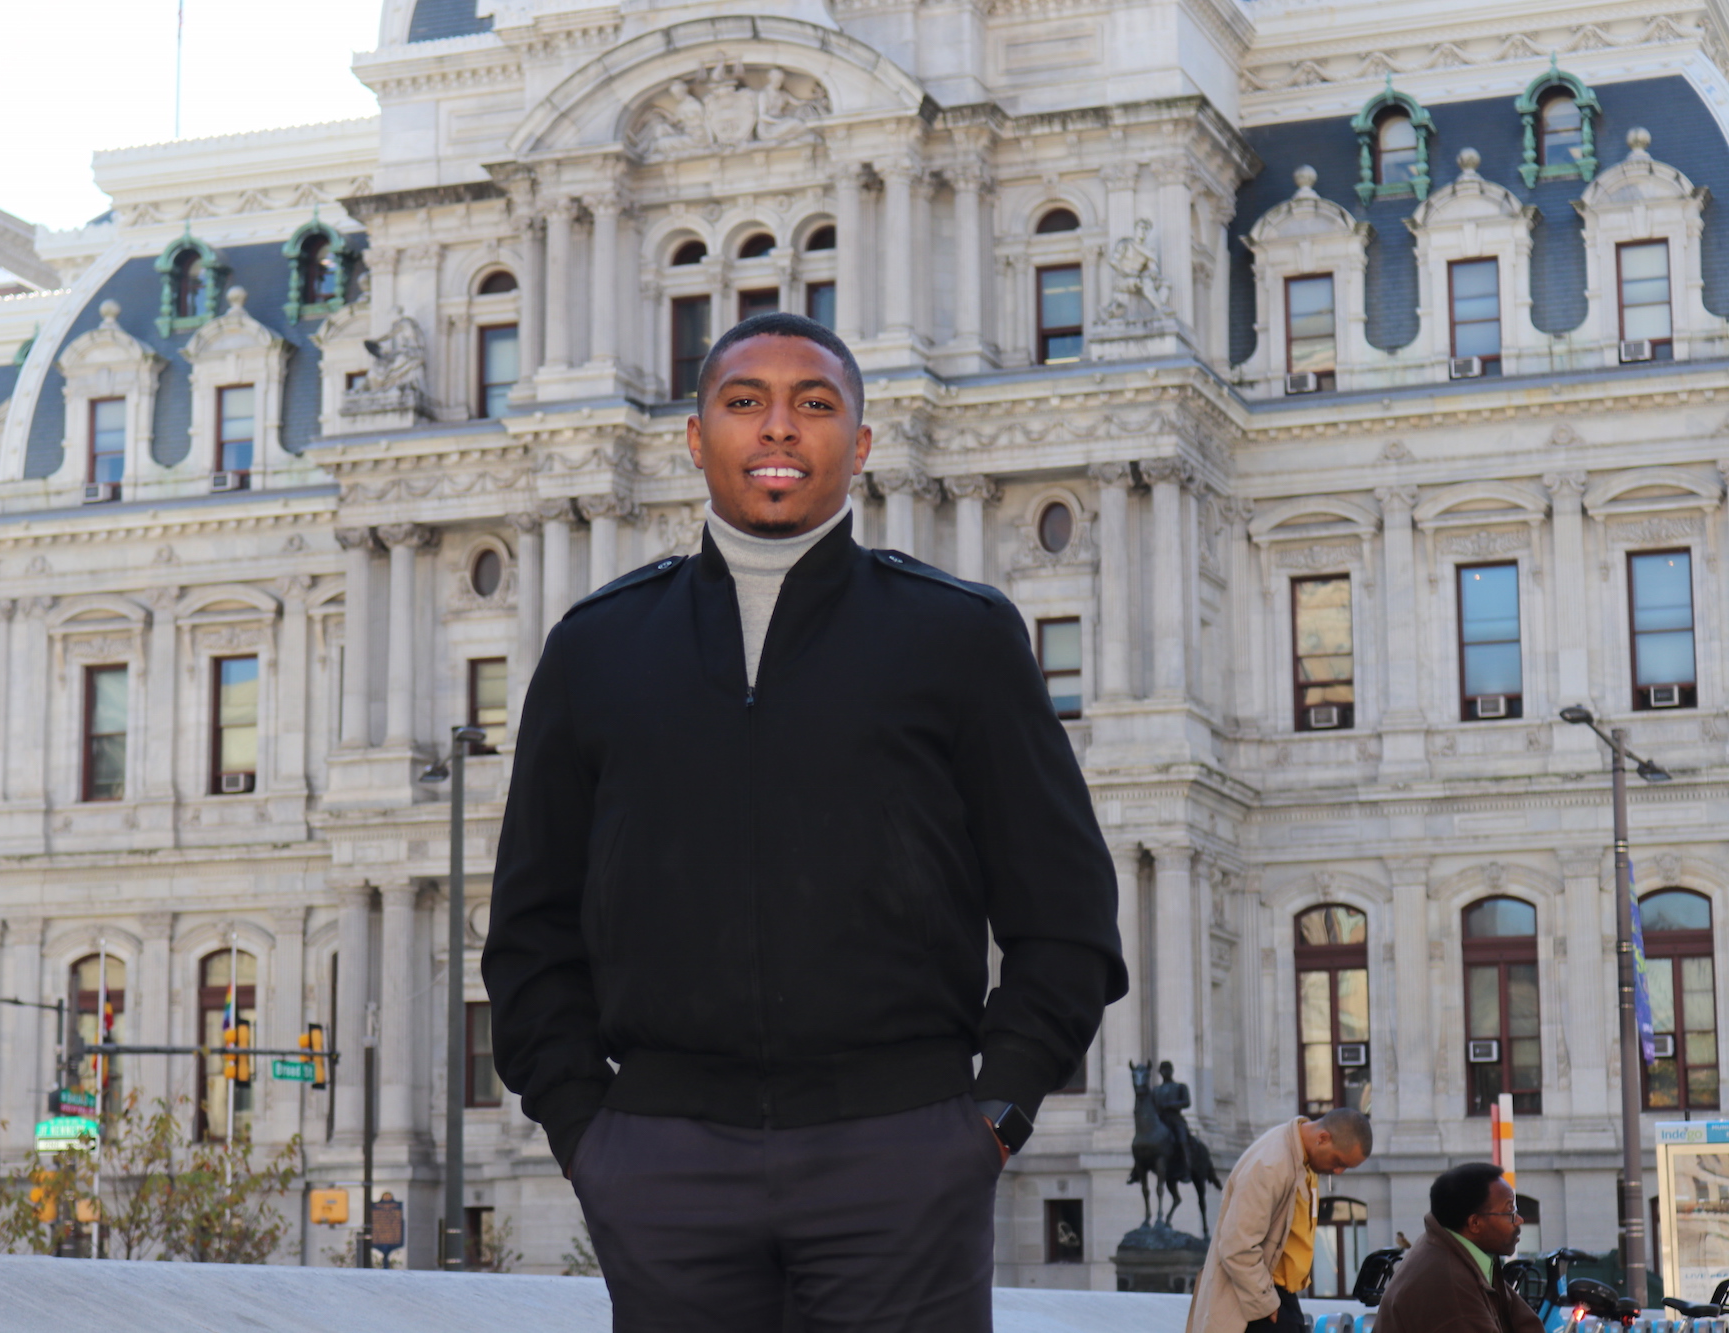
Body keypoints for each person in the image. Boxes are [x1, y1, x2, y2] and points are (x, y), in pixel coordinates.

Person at [482, 310, 1126, 1332]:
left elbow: (1068, 914)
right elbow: (528, 927)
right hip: (661, 1157)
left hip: (898, 1149)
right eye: (744, 403)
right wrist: (584, 1128)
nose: (777, 428)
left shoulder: (957, 637)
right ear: (696, 439)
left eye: (813, 404)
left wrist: (988, 1119)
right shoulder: (597, 649)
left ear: (859, 445)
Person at [1184, 1108, 1373, 1333]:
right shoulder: (1271, 1165)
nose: (1339, 1172)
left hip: (1272, 1297)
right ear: (1323, 1138)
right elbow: (1237, 1246)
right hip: (1253, 1305)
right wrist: (1266, 1304)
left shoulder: (1299, 1154)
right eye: (1339, 1161)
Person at [1375, 1163, 1543, 1333]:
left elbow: (1525, 1323)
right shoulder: (1450, 1285)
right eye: (1510, 1211)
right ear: (1475, 1223)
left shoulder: (1454, 1250)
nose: (1519, 1220)